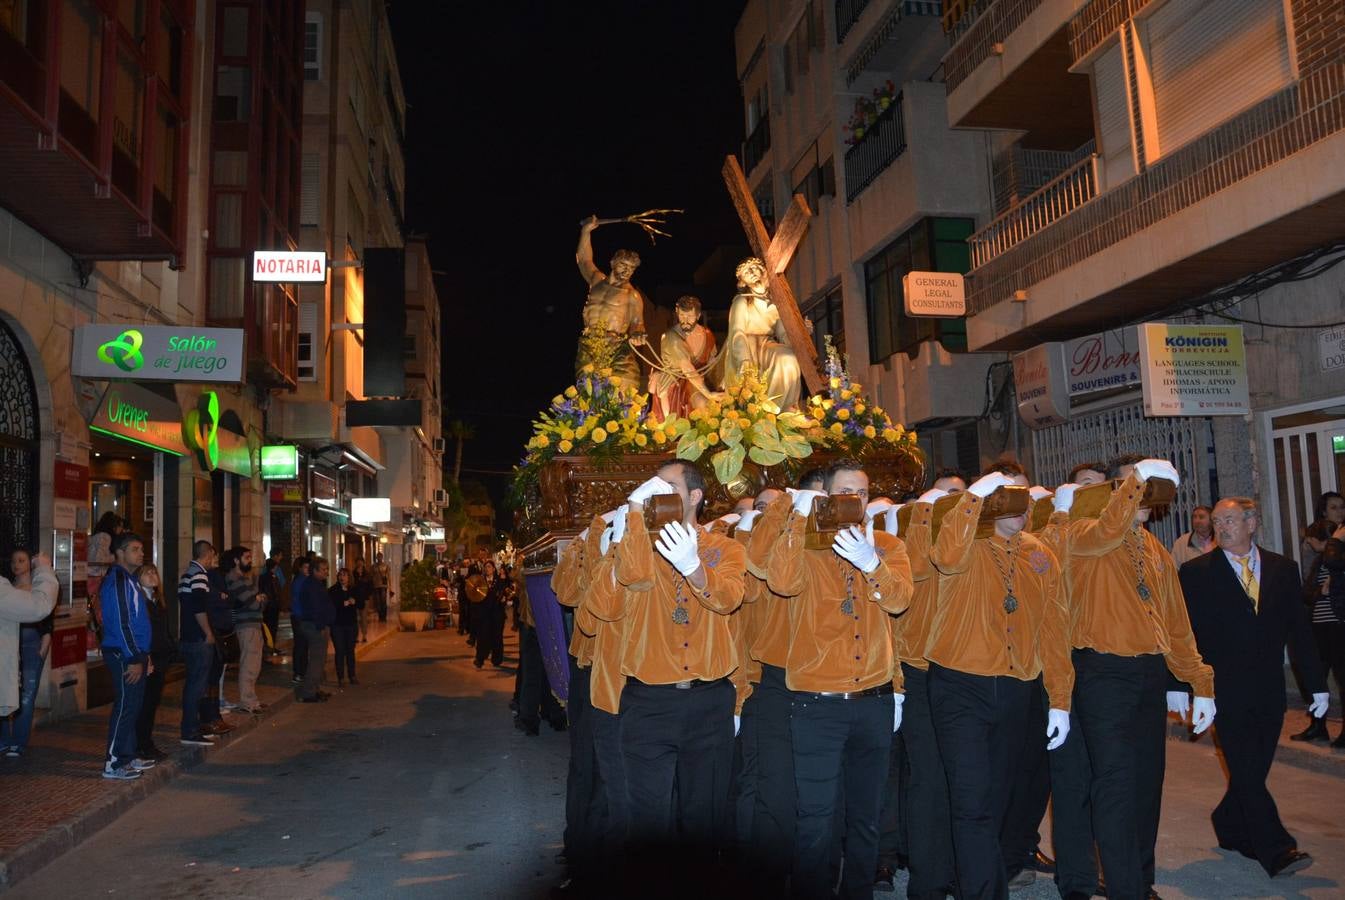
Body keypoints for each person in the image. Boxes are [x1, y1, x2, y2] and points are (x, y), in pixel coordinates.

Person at [1056, 454, 1215, 900]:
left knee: (1147, 785)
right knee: (1116, 785)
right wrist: (1138, 477)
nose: (1143, 495)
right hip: (1102, 674)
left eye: (1147, 488)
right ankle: (1125, 889)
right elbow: (1108, 529)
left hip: (1148, 673)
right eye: (1133, 487)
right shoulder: (1082, 534)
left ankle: (1140, 883)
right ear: (1114, 493)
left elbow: (1176, 623)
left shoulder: (1155, 548)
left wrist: (1198, 681)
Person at [585, 461, 747, 889]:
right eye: (651, 488)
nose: (657, 493)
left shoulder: (725, 549)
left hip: (709, 701)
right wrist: (628, 530)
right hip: (648, 703)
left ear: (694, 497)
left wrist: (694, 566)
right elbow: (605, 605)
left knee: (703, 824)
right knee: (647, 828)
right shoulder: (637, 546)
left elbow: (729, 598)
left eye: (668, 487)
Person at [759, 459, 912, 900]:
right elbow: (782, 582)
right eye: (844, 493)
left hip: (874, 700)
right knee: (816, 817)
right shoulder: (805, 545)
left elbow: (901, 599)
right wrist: (796, 517)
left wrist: (871, 564)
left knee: (865, 817)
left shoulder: (885, 544)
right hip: (816, 703)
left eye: (862, 494)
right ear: (826, 497)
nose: (855, 502)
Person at [923, 469, 1073, 900]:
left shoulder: (1040, 554)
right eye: (1009, 496)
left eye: (1025, 498)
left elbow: (1053, 630)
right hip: (959, 687)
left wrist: (1059, 699)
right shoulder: (965, 539)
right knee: (972, 804)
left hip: (1016, 691)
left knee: (996, 802)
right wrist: (972, 497)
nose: (1021, 506)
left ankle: (979, 877)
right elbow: (945, 556)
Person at [1179, 498, 1326, 878]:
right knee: (1244, 766)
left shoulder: (1282, 568)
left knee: (1253, 768)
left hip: (1269, 689)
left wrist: (1317, 687)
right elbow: (1184, 634)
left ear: (1251, 523)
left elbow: (1299, 630)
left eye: (1228, 520)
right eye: (1216, 522)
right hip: (1222, 689)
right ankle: (1278, 850)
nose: (1220, 528)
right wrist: (1182, 684)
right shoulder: (1196, 572)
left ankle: (1228, 821)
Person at [889, 480, 961, 900]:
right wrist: (923, 515)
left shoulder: (969, 533)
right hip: (919, 669)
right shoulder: (912, 533)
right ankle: (929, 878)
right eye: (942, 495)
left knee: (966, 779)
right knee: (929, 778)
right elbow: (914, 571)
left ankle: (958, 867)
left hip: (963, 669)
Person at [99, 532, 155, 780]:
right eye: (135, 549)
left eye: (141, 549)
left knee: (133, 706)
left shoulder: (130, 580)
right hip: (123, 654)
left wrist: (145, 656)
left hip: (134, 653)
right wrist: (134, 657)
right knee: (125, 707)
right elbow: (123, 624)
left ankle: (128, 755)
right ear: (120, 553)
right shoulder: (120, 580)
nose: (141, 553)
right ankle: (114, 762)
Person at [575, 214, 648, 383]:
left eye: (631, 268)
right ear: (613, 263)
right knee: (588, 389)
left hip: (615, 345)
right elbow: (584, 260)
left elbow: (638, 323)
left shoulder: (632, 295)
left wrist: (638, 333)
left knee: (624, 384)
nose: (626, 271)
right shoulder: (596, 281)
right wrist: (586, 231)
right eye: (623, 265)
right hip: (590, 343)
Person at [723, 256, 801, 410]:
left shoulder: (775, 302)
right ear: (742, 281)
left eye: (754, 268)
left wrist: (800, 335)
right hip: (746, 347)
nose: (751, 272)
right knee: (749, 381)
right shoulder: (742, 301)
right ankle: (762, 410)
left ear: (763, 271)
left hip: (767, 344)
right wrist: (744, 360)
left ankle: (782, 408)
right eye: (746, 272)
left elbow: (784, 334)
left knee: (788, 357)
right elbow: (737, 332)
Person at [1, 549, 56, 758]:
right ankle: (6, 740)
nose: (17, 565)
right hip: (14, 647)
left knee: (24, 694)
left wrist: (45, 640)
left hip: (30, 643)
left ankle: (18, 741)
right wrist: (44, 568)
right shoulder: (7, 588)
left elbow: (45, 619)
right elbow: (40, 606)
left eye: (22, 560)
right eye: (14, 561)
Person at [649, 295, 720, 420]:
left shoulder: (707, 334)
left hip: (702, 378)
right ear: (677, 313)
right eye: (682, 316)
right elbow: (687, 369)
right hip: (679, 378)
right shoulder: (672, 338)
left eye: (690, 316)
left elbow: (712, 359)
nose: (685, 320)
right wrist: (709, 394)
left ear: (698, 316)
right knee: (702, 403)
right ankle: (669, 424)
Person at [177, 541, 221, 747]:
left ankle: (190, 727)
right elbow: (198, 607)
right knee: (197, 685)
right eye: (214, 554)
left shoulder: (187, 573)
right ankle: (190, 730)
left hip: (188, 636)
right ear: (209, 553)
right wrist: (208, 632)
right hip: (198, 638)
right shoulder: (200, 575)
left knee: (192, 684)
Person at [133, 563, 173, 762]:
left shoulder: (157, 601)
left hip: (160, 656)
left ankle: (145, 743)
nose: (152, 575)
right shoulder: (140, 601)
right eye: (146, 572)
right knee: (145, 704)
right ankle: (141, 745)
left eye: (154, 571)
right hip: (148, 658)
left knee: (152, 702)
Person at [223, 547, 266, 715]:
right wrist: (257, 599)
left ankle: (251, 699)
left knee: (254, 664)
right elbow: (254, 603)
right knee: (249, 664)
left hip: (254, 624)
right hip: (246, 626)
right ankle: (247, 701)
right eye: (247, 557)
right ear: (236, 560)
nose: (250, 560)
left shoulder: (247, 579)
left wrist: (259, 599)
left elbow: (262, 601)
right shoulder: (234, 578)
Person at [297, 557, 335, 703]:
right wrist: (320, 626)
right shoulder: (311, 585)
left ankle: (315, 689)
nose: (326, 572)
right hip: (314, 626)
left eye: (327, 569)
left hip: (318, 625)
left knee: (320, 661)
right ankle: (309, 692)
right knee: (316, 661)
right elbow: (315, 608)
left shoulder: (316, 584)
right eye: (324, 570)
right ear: (315, 571)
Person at [473, 561, 507, 668]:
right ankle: (480, 659)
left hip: (497, 613)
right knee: (482, 636)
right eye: (485, 567)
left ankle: (496, 659)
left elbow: (505, 592)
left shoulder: (499, 580)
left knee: (497, 636)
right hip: (484, 613)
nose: (487, 569)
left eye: (489, 567)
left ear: (493, 568)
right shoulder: (480, 580)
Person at [330, 567, 359, 687]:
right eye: (340, 575)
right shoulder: (333, 590)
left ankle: (352, 675)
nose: (342, 577)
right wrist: (343, 603)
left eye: (345, 575)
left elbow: (361, 601)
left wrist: (355, 601)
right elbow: (332, 604)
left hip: (351, 624)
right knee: (340, 651)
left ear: (349, 577)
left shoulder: (353, 589)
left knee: (350, 651)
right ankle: (340, 677)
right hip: (338, 625)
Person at [258, 549, 285, 656]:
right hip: (272, 606)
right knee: (272, 627)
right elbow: (276, 591)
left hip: (267, 606)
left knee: (268, 627)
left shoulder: (262, 577)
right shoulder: (273, 578)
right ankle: (270, 647)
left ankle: (269, 647)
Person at [289, 556, 311, 685]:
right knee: (300, 646)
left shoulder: (303, 580)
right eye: (305, 567)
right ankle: (298, 673)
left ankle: (301, 672)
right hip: (300, 617)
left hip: (301, 617)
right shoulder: (300, 581)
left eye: (309, 567)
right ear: (300, 568)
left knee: (303, 646)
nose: (308, 569)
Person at [351, 558, 374, 643]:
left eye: (361, 563)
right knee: (356, 618)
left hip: (365, 598)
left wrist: (368, 595)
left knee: (363, 617)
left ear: (364, 563)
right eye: (358, 563)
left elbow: (371, 586)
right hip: (355, 598)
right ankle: (356, 636)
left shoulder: (367, 574)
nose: (360, 564)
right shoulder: (353, 574)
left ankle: (364, 635)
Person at [372, 553, 391, 623]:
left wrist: (390, 586)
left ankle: (384, 616)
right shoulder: (373, 566)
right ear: (376, 557)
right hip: (376, 586)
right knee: (378, 602)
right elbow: (372, 576)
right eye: (378, 556)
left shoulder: (386, 566)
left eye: (380, 556)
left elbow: (388, 576)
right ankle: (380, 616)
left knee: (383, 601)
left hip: (383, 586)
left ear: (382, 557)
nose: (379, 558)